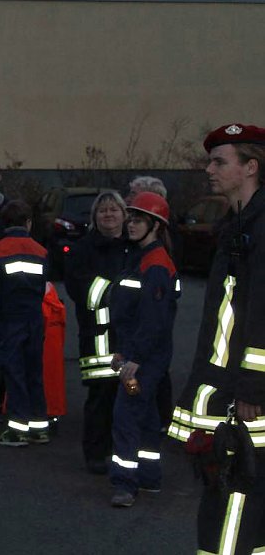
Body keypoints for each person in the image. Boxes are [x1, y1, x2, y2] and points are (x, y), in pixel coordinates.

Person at [167, 123, 265, 552]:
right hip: (227, 388)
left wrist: (252, 386)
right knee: (232, 497)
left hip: (245, 397)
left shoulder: (261, 228)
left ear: (250, 167)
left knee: (236, 500)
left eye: (219, 161)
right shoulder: (239, 223)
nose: (208, 169)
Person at [107, 191, 179, 508]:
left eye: (139, 219)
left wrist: (133, 357)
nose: (131, 223)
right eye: (131, 217)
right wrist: (124, 351)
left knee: (126, 414)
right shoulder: (140, 258)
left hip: (144, 362)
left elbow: (154, 320)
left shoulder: (156, 265)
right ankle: (149, 477)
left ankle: (125, 484)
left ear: (156, 225)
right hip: (139, 357)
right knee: (146, 415)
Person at [64, 190, 130, 474]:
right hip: (97, 338)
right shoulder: (83, 250)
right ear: (95, 217)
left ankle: (122, 449)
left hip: (129, 337)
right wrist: (118, 290)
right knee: (99, 397)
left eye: (114, 209)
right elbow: (79, 288)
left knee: (128, 393)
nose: (109, 215)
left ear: (124, 215)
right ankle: (95, 453)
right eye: (103, 211)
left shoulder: (133, 246)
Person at [0, 200, 50, 447]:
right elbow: (41, 289)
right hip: (34, 319)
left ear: (4, 224)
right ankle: (39, 427)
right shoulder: (41, 251)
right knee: (34, 373)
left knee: (14, 374)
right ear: (28, 223)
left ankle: (17, 428)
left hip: (9, 322)